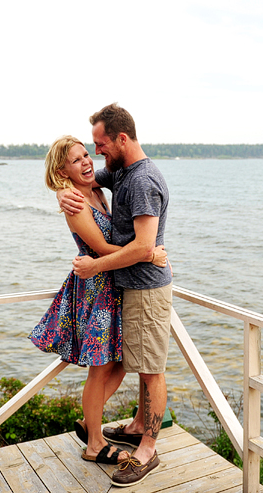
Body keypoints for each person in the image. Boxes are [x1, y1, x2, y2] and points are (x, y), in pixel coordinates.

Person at [29, 135, 168, 467]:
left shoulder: (97, 190)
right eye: (75, 161)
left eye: (86, 155)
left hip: (114, 285)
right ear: (62, 171)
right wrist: (148, 256)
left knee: (120, 362)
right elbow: (102, 250)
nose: (86, 162)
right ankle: (94, 441)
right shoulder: (75, 200)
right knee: (100, 367)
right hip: (96, 291)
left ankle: (90, 420)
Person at [58, 103, 173, 487]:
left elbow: (141, 246)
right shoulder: (120, 172)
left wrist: (105, 263)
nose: (96, 155)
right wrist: (64, 190)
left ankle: (147, 448)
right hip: (122, 287)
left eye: (99, 145)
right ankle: (121, 427)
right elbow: (86, 179)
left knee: (149, 368)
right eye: (88, 150)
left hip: (144, 287)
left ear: (121, 139)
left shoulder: (140, 180)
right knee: (127, 362)